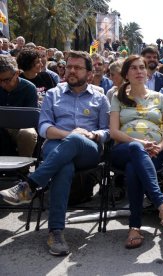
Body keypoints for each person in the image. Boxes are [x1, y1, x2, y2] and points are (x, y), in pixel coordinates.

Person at [0, 51, 110, 256]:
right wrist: (71, 134)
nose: (72, 71)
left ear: (89, 72)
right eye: (69, 67)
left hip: (88, 149)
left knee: (76, 140)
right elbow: (44, 127)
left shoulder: (100, 97)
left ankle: (30, 185)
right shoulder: (53, 94)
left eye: (78, 67)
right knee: (64, 165)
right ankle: (56, 232)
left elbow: (107, 130)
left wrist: (91, 135)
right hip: (55, 145)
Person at [109, 55, 163, 249]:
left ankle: (134, 227)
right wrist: (140, 142)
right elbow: (113, 131)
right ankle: (162, 205)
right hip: (123, 150)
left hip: (153, 154)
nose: (139, 71)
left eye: (142, 67)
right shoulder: (117, 97)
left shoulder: (159, 97)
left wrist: (160, 147)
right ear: (126, 74)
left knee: (134, 168)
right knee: (134, 148)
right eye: (134, 68)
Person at [0, 55, 38, 157]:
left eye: (6, 80)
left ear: (17, 73)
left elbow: (31, 119)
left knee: (28, 133)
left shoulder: (29, 88)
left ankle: (23, 170)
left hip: (20, 128)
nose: (2, 84)